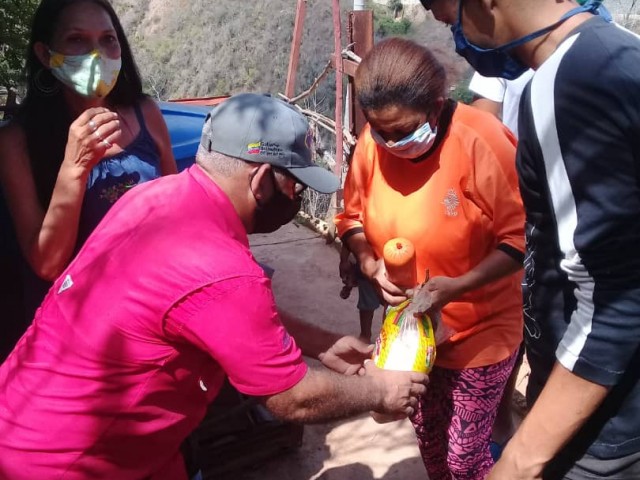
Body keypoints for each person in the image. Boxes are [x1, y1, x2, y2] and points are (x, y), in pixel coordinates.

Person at [0, 93, 428, 480]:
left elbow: (209, 310)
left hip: (26, 413)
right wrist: (381, 390)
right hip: (69, 461)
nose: (297, 196)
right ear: (262, 181)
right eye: (294, 184)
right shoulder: (223, 269)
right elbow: (291, 397)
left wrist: (322, 344)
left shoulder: (152, 197)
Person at [421, 0, 640, 478]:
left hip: (602, 422)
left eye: (449, 17)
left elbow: (613, 298)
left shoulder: (566, 85)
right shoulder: (619, 52)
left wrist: (520, 460)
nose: (456, 37)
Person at [334, 37, 525, 480]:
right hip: (410, 331)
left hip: (480, 328)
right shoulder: (372, 145)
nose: (391, 143)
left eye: (403, 131)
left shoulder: (481, 141)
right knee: (429, 435)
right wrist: (368, 261)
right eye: (380, 130)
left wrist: (457, 287)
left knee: (464, 455)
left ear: (436, 108)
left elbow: (519, 240)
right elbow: (351, 217)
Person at [0, 0, 177, 337]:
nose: (97, 55)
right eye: (76, 40)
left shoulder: (145, 113)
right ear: (45, 54)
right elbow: (48, 263)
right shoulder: (16, 142)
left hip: (150, 314)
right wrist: (75, 166)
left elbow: (179, 215)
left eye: (108, 39)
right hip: (76, 334)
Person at [339, 244, 381, 342]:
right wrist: (344, 260)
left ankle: (384, 336)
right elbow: (348, 237)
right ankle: (365, 336)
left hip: (391, 263)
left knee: (391, 306)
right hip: (368, 265)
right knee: (367, 303)